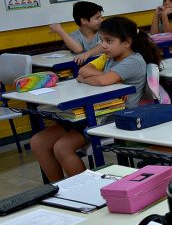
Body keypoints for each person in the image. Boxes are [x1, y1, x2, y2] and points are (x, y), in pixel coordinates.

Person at [30, 17, 161, 181]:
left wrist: (95, 79)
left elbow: (102, 81)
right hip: (94, 109)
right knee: (38, 142)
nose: (103, 45)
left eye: (109, 41)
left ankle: (84, 189)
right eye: (102, 40)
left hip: (113, 115)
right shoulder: (109, 57)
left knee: (62, 148)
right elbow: (83, 71)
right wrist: (103, 78)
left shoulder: (133, 60)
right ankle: (59, 187)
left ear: (127, 42)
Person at [49, 1, 104, 65]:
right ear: (84, 20)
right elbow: (78, 49)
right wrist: (60, 31)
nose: (101, 20)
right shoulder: (74, 36)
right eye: (97, 18)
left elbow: (102, 46)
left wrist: (87, 54)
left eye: (101, 17)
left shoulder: (103, 31)